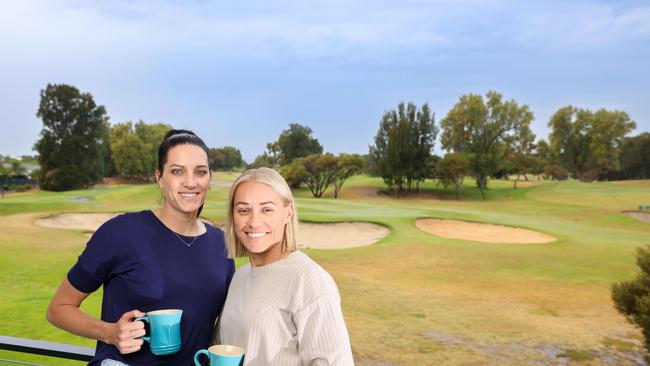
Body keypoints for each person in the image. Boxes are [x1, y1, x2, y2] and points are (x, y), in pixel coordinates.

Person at [46, 129, 235, 366]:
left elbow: (229, 320)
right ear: (159, 177)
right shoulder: (121, 233)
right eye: (177, 171)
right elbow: (58, 308)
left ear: (209, 178)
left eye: (200, 172)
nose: (190, 182)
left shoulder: (221, 244)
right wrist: (110, 333)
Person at [217, 167, 354, 365]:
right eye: (243, 210)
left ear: (288, 213)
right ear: (233, 216)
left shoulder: (309, 280)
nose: (254, 222)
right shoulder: (240, 276)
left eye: (267, 209)